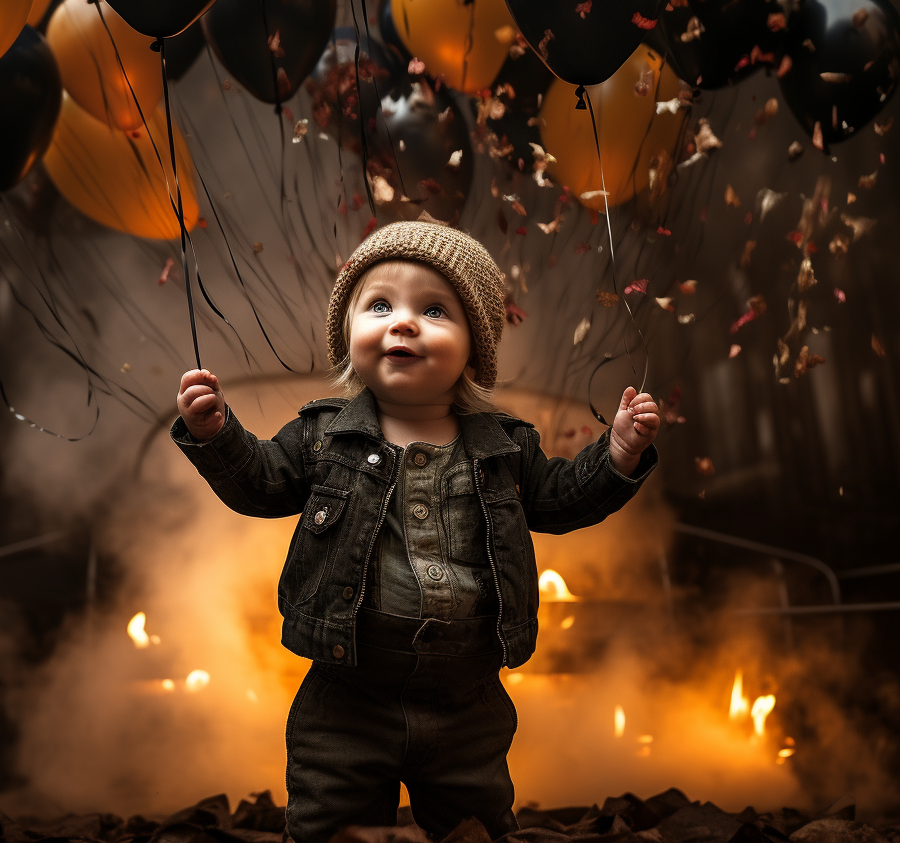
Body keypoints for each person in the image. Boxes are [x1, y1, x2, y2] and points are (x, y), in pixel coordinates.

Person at [172, 221, 659, 843]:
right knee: (332, 824)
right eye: (380, 305)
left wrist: (616, 454)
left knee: (475, 828)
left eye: (433, 310)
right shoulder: (324, 437)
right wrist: (217, 436)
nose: (402, 323)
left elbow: (562, 501)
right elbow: (262, 486)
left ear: (473, 347)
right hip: (348, 693)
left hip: (466, 699)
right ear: (349, 335)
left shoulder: (505, 447)